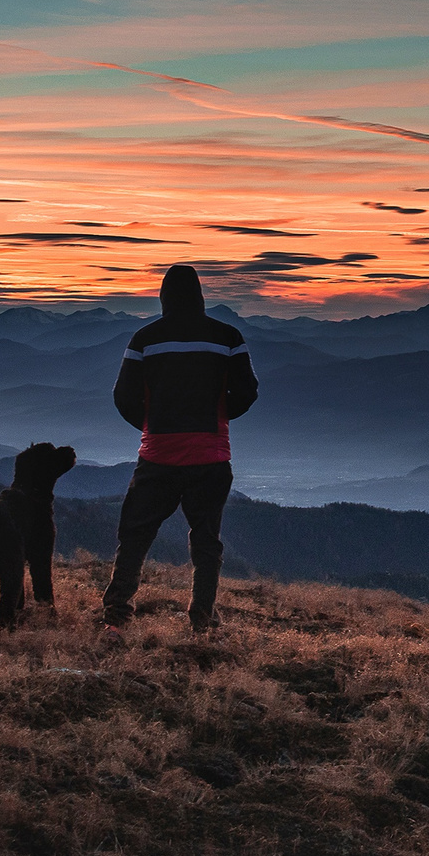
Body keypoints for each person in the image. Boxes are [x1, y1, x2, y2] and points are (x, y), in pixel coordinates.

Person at [100, 264, 258, 637]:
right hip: (211, 454)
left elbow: (122, 395)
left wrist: (152, 426)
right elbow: (248, 391)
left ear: (163, 296)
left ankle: (116, 616)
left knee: (135, 536)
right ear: (200, 294)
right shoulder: (228, 336)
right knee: (206, 541)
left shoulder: (145, 338)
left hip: (158, 455)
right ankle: (201, 619)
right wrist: (220, 415)